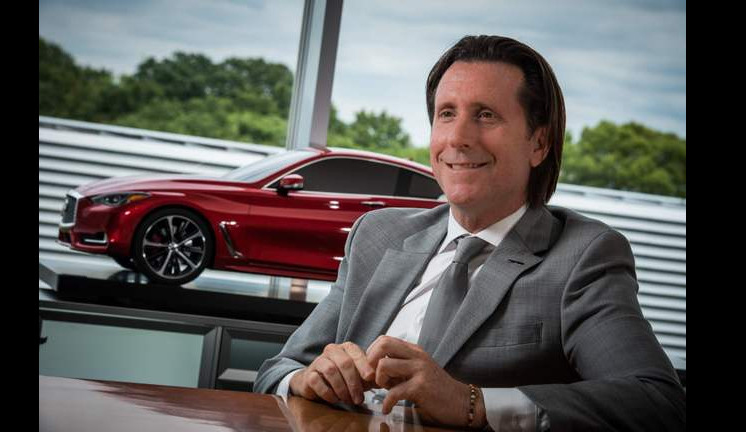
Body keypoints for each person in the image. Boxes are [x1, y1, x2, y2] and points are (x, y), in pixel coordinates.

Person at [254, 35, 686, 431]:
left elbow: (655, 401)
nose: (458, 137)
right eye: (447, 114)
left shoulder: (582, 256)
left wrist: (469, 402)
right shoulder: (377, 234)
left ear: (539, 143)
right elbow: (277, 370)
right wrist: (306, 380)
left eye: (486, 115)